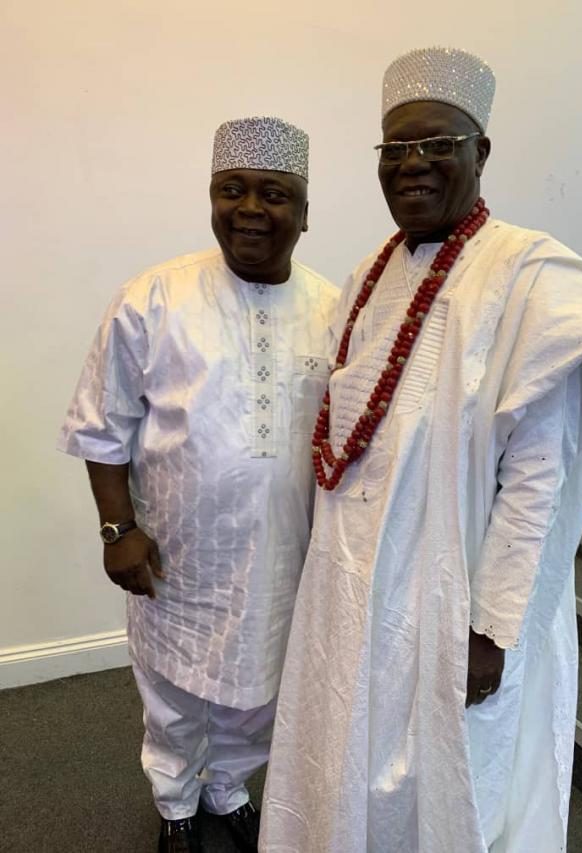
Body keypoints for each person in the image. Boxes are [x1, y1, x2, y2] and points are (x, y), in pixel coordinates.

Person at [259, 49, 582, 853]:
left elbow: (542, 476)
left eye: (437, 144)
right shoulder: (368, 272)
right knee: (346, 767)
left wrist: (494, 629)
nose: (413, 166)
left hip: (451, 595)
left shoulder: (534, 278)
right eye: (395, 151)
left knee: (452, 782)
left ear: (480, 153)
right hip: (352, 589)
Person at [58, 116, 338, 853]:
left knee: (260, 690)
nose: (250, 207)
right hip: (177, 553)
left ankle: (229, 786)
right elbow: (100, 423)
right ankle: (177, 800)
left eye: (273, 193)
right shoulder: (152, 297)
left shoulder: (335, 309)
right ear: (210, 199)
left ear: (305, 213)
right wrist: (117, 529)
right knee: (174, 691)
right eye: (231, 189)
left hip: (285, 555)